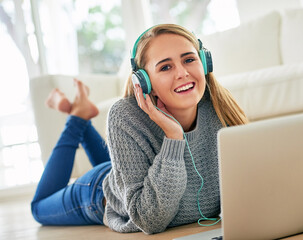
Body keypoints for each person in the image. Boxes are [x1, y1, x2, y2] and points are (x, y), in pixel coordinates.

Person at [31, 24, 248, 234]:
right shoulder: (124, 114)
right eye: (165, 66)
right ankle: (77, 119)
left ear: (204, 62)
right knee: (39, 208)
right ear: (144, 81)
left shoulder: (220, 105)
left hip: (128, 174)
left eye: (189, 59)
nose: (182, 73)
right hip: (98, 193)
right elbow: (149, 219)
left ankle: (80, 113)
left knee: (117, 170)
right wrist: (173, 137)